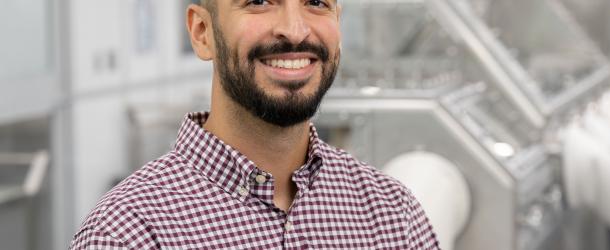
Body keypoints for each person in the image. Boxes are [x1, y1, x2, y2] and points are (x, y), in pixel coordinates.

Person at [70, 0, 439, 248]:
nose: (295, 31)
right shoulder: (129, 234)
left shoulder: (392, 214)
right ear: (202, 32)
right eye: (260, 0)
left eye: (316, 2)